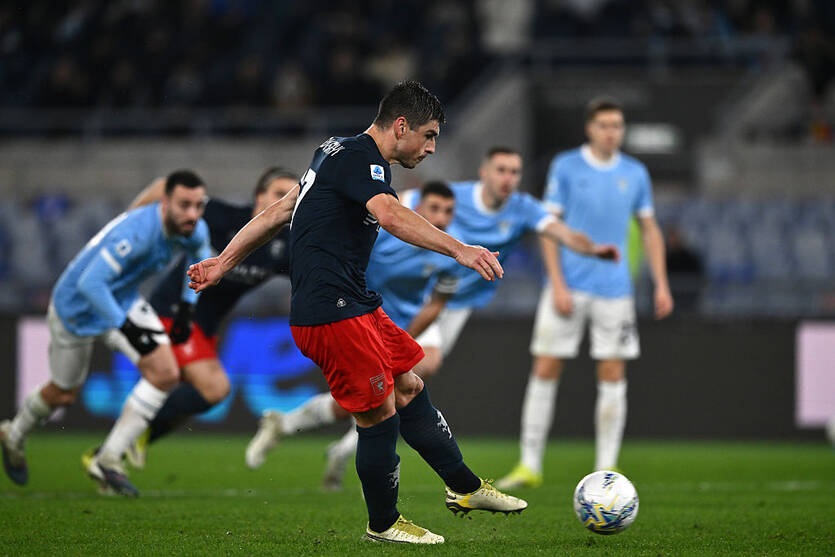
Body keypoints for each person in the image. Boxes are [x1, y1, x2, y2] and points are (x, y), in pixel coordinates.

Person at [187, 80, 527, 545]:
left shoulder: (336, 151)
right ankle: (383, 524)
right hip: (331, 312)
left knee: (408, 386)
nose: (431, 148)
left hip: (355, 303)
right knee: (377, 413)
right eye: (428, 135)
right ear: (401, 126)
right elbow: (389, 215)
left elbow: (280, 211)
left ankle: (465, 488)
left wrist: (224, 262)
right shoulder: (359, 159)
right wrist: (460, 249)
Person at [497, 96, 674, 491]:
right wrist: (557, 283)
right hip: (569, 286)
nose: (612, 132)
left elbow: (649, 229)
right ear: (590, 128)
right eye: (604, 125)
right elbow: (548, 227)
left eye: (617, 126)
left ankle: (607, 468)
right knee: (545, 368)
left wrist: (661, 283)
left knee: (612, 373)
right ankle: (529, 464)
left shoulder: (635, 173)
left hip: (615, 291)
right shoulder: (566, 166)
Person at [0, 170, 212, 496]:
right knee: (63, 393)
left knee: (165, 373)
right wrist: (125, 326)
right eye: (184, 205)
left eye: (199, 206)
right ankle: (13, 435)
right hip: (77, 307)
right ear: (165, 202)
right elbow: (90, 284)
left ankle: (108, 459)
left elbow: (200, 257)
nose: (193, 214)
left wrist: (187, 308)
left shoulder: (193, 228)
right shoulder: (137, 233)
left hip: (122, 299)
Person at [243, 181, 461, 486]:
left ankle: (323, 441)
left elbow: (436, 305)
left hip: (407, 320)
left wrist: (401, 342)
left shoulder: (452, 247)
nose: (440, 218)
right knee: (374, 397)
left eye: (448, 211)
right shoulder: (384, 232)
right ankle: (305, 433)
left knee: (415, 373)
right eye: (434, 209)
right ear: (418, 207)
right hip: (361, 315)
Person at [91, 167, 300, 471]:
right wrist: (127, 226)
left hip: (205, 329)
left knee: (199, 394)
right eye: (279, 194)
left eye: (292, 195)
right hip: (173, 312)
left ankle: (115, 449)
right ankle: (118, 448)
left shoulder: (287, 246)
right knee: (214, 387)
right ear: (259, 196)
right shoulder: (222, 216)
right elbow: (164, 186)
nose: (287, 201)